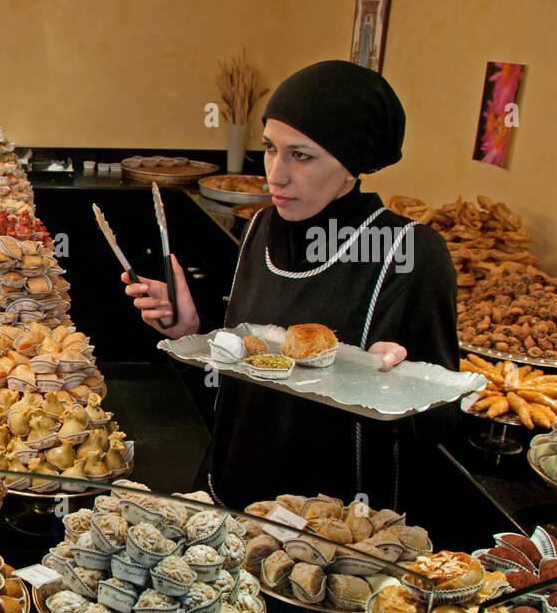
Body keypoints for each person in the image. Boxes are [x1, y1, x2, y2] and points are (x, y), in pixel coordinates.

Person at [125, 60, 458, 510]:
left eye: (301, 156)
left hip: (330, 528)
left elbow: (444, 421)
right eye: (269, 148)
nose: (275, 175)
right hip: (232, 489)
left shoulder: (409, 250)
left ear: (352, 163)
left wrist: (395, 383)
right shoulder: (263, 226)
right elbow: (250, 369)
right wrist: (192, 331)